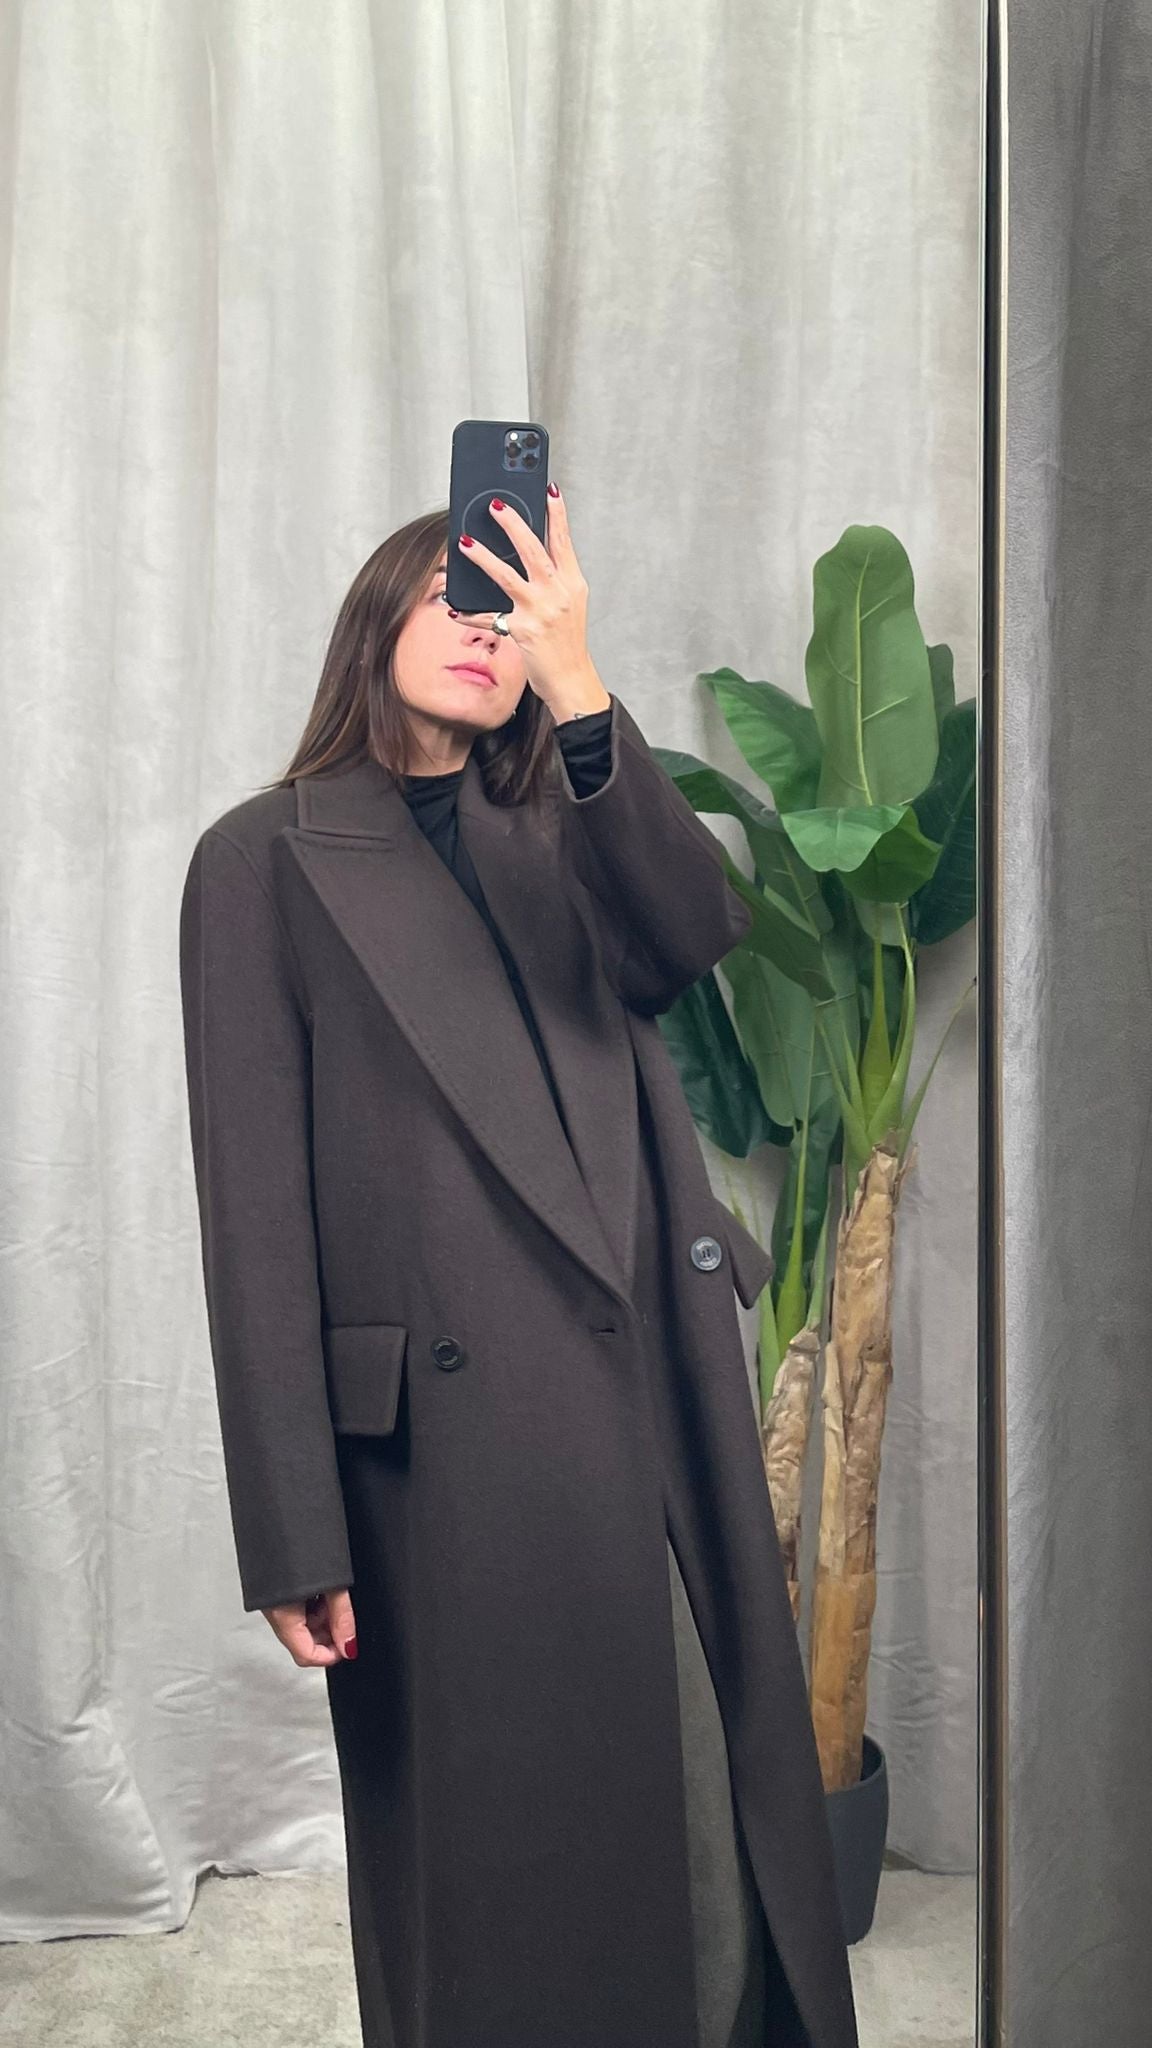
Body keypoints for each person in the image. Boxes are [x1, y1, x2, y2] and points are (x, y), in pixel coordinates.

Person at [178, 486, 860, 2048]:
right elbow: (252, 1212)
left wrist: (584, 687)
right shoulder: (263, 860)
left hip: (654, 1388)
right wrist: (292, 1526)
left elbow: (687, 936)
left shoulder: (570, 824)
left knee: (711, 1820)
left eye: (514, 607)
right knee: (501, 1880)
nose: (487, 631)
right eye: (454, 597)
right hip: (440, 1448)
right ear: (376, 622)